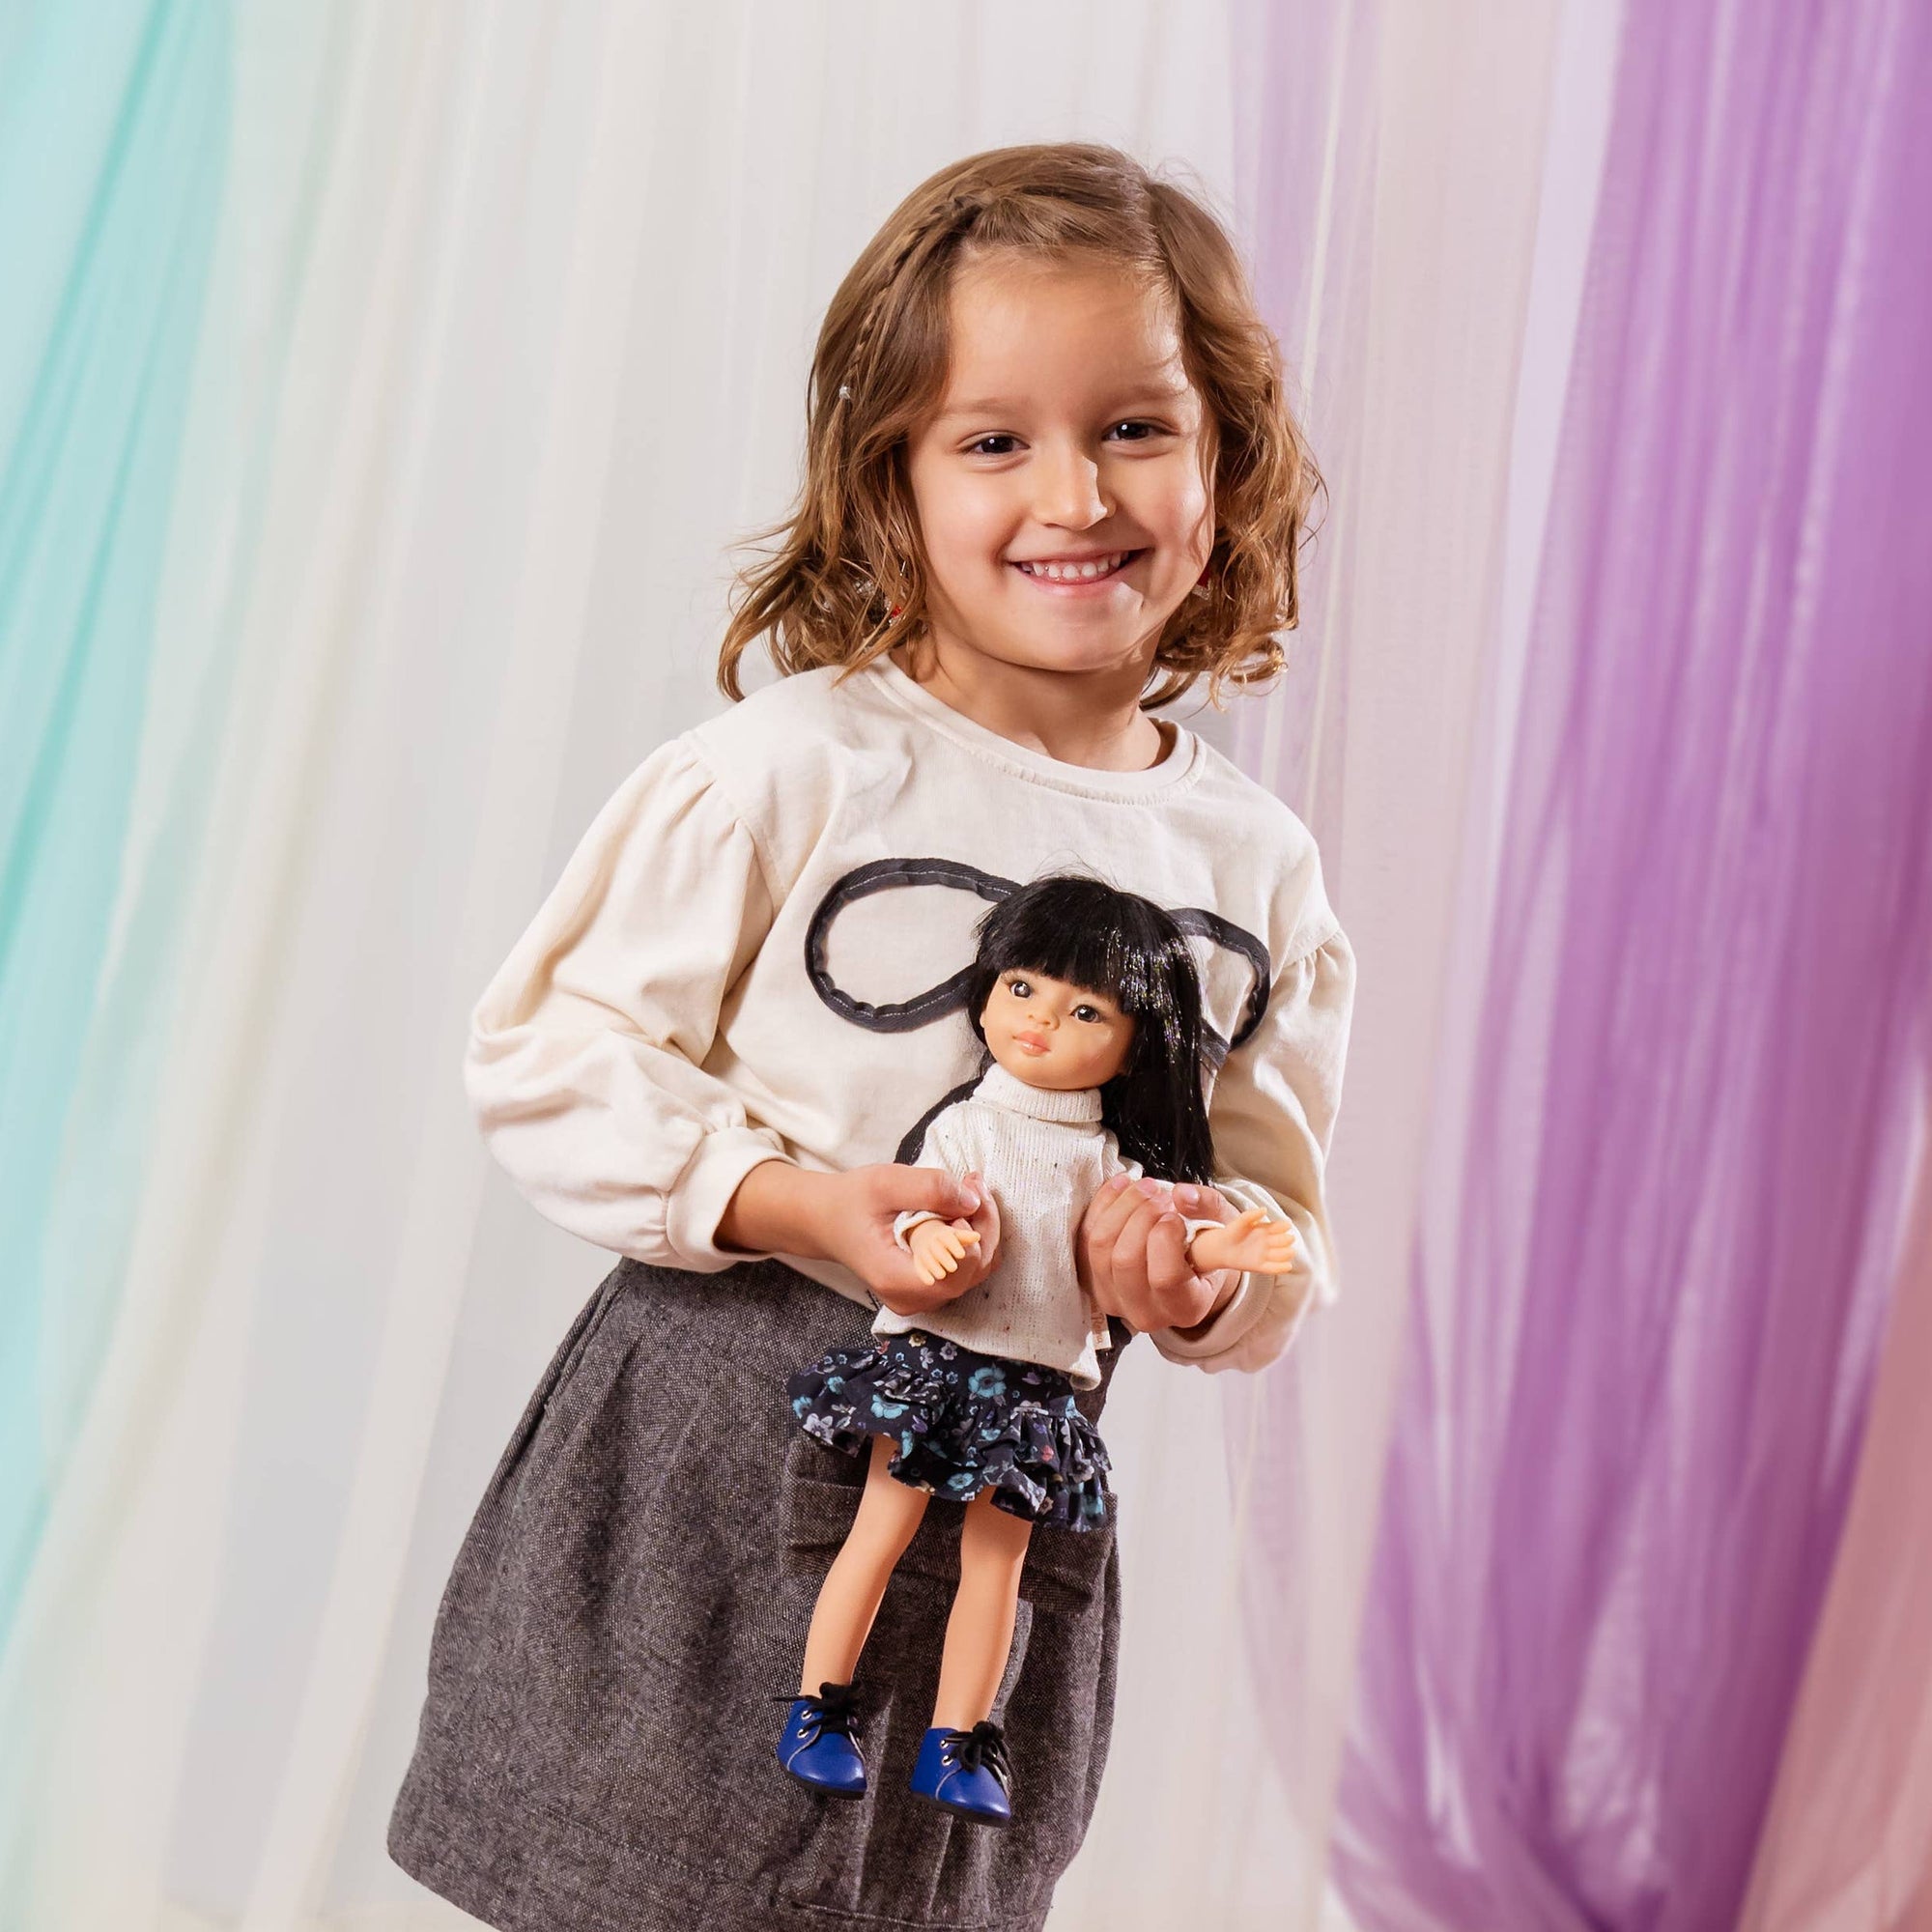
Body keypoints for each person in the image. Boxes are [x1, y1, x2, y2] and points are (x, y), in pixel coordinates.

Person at [387, 141, 1356, 1932]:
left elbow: (1274, 1210)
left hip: (1015, 1480)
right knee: (642, 1864)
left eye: (1136, 427)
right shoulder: (790, 771)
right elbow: (551, 1051)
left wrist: (1205, 1276)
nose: (1075, 492)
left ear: (1228, 451)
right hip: (713, 1448)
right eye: (994, 439)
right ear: (891, 479)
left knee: (917, 1883)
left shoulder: (1253, 873)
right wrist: (792, 1203)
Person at [778, 875, 1303, 1830]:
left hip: (1031, 1389)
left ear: (1135, 1039)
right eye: (1020, 986)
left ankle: (957, 1738)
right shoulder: (967, 1122)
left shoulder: (1110, 1161)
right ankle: (818, 1710)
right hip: (936, 1364)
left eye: (1083, 1009)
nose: (1038, 1020)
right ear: (984, 987)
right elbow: (918, 1203)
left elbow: (1148, 1236)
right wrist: (922, 1239)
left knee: (996, 1565)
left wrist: (1216, 1247)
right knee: (879, 1535)